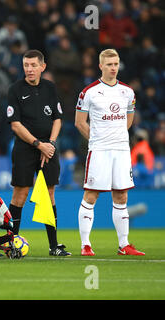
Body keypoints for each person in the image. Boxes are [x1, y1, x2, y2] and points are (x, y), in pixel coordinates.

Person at [75, 48, 145, 256]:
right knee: (91, 194)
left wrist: (117, 136)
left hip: (122, 150)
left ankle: (124, 245)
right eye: (109, 64)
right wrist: (97, 139)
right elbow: (79, 122)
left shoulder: (127, 92)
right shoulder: (89, 92)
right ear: (101, 66)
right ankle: (85, 245)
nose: (113, 68)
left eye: (116, 64)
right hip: (99, 150)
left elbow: (129, 118)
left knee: (121, 195)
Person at [7, 49, 70, 256]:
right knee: (21, 194)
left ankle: (54, 246)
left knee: (49, 194)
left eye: (34, 65)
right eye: (26, 65)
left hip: (48, 148)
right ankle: (12, 244)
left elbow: (57, 119)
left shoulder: (50, 88)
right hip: (26, 148)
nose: (29, 69)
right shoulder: (15, 89)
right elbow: (15, 125)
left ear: (43, 67)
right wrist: (38, 144)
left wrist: (49, 144)